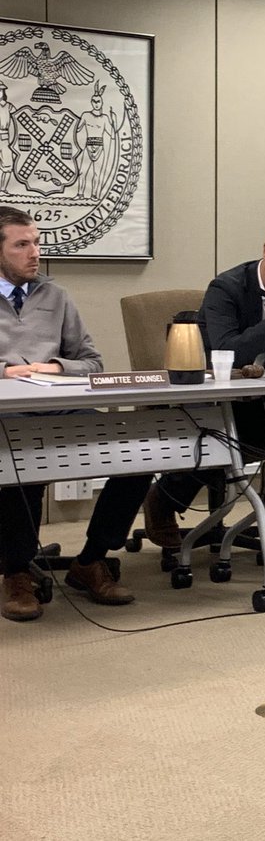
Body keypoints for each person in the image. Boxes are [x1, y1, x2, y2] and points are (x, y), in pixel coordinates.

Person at [0, 206, 151, 621]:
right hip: (8, 411)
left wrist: (55, 366)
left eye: (36, 242)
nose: (35, 252)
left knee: (138, 454)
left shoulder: (56, 296)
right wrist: (7, 371)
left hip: (58, 403)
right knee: (16, 459)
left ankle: (91, 559)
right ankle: (16, 571)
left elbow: (91, 361)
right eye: (22, 244)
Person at [142, 219, 265, 547]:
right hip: (213, 396)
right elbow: (225, 350)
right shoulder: (226, 287)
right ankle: (163, 499)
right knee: (219, 436)